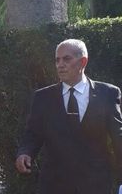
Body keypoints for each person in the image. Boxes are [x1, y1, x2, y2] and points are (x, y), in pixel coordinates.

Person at [15, 39, 122, 194]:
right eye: (57, 60)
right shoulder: (43, 97)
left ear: (82, 62)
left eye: (66, 59)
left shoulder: (108, 93)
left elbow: (118, 136)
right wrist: (25, 152)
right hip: (54, 184)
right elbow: (33, 133)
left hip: (96, 183)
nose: (60, 64)